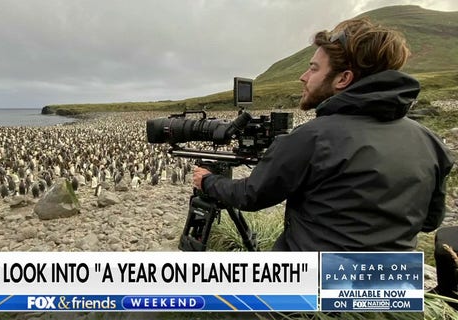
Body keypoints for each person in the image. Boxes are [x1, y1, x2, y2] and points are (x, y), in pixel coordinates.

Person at [192, 17, 454, 252]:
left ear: (343, 79)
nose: (303, 77)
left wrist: (208, 181)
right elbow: (430, 221)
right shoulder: (430, 141)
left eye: (314, 68)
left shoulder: (313, 137)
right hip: (389, 292)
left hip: (311, 296)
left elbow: (251, 195)